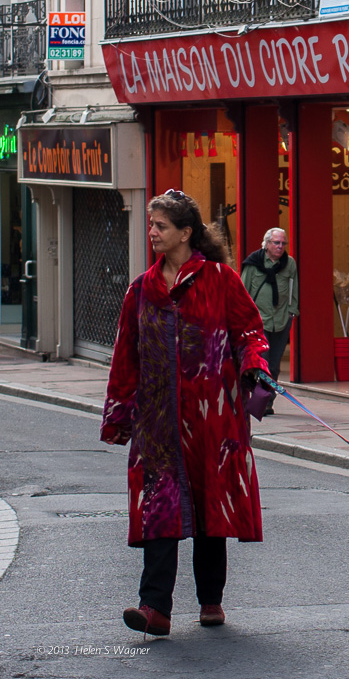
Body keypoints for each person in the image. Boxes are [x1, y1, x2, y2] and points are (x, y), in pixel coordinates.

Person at [100, 189, 272, 638]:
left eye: (160, 226)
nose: (152, 232)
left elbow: (250, 332)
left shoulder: (221, 279)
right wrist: (118, 415)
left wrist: (255, 366)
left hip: (212, 419)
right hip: (157, 423)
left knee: (208, 503)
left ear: (185, 233)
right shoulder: (141, 289)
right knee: (159, 508)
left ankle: (210, 599)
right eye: (152, 225)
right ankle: (154, 608)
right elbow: (126, 355)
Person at [240, 228, 299, 415]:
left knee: (273, 365)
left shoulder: (289, 264)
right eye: (276, 243)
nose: (280, 246)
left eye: (283, 243)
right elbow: (243, 292)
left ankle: (268, 401)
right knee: (261, 364)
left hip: (281, 320)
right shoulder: (253, 263)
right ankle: (259, 400)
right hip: (259, 322)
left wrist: (292, 311)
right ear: (266, 244)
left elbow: (293, 289)